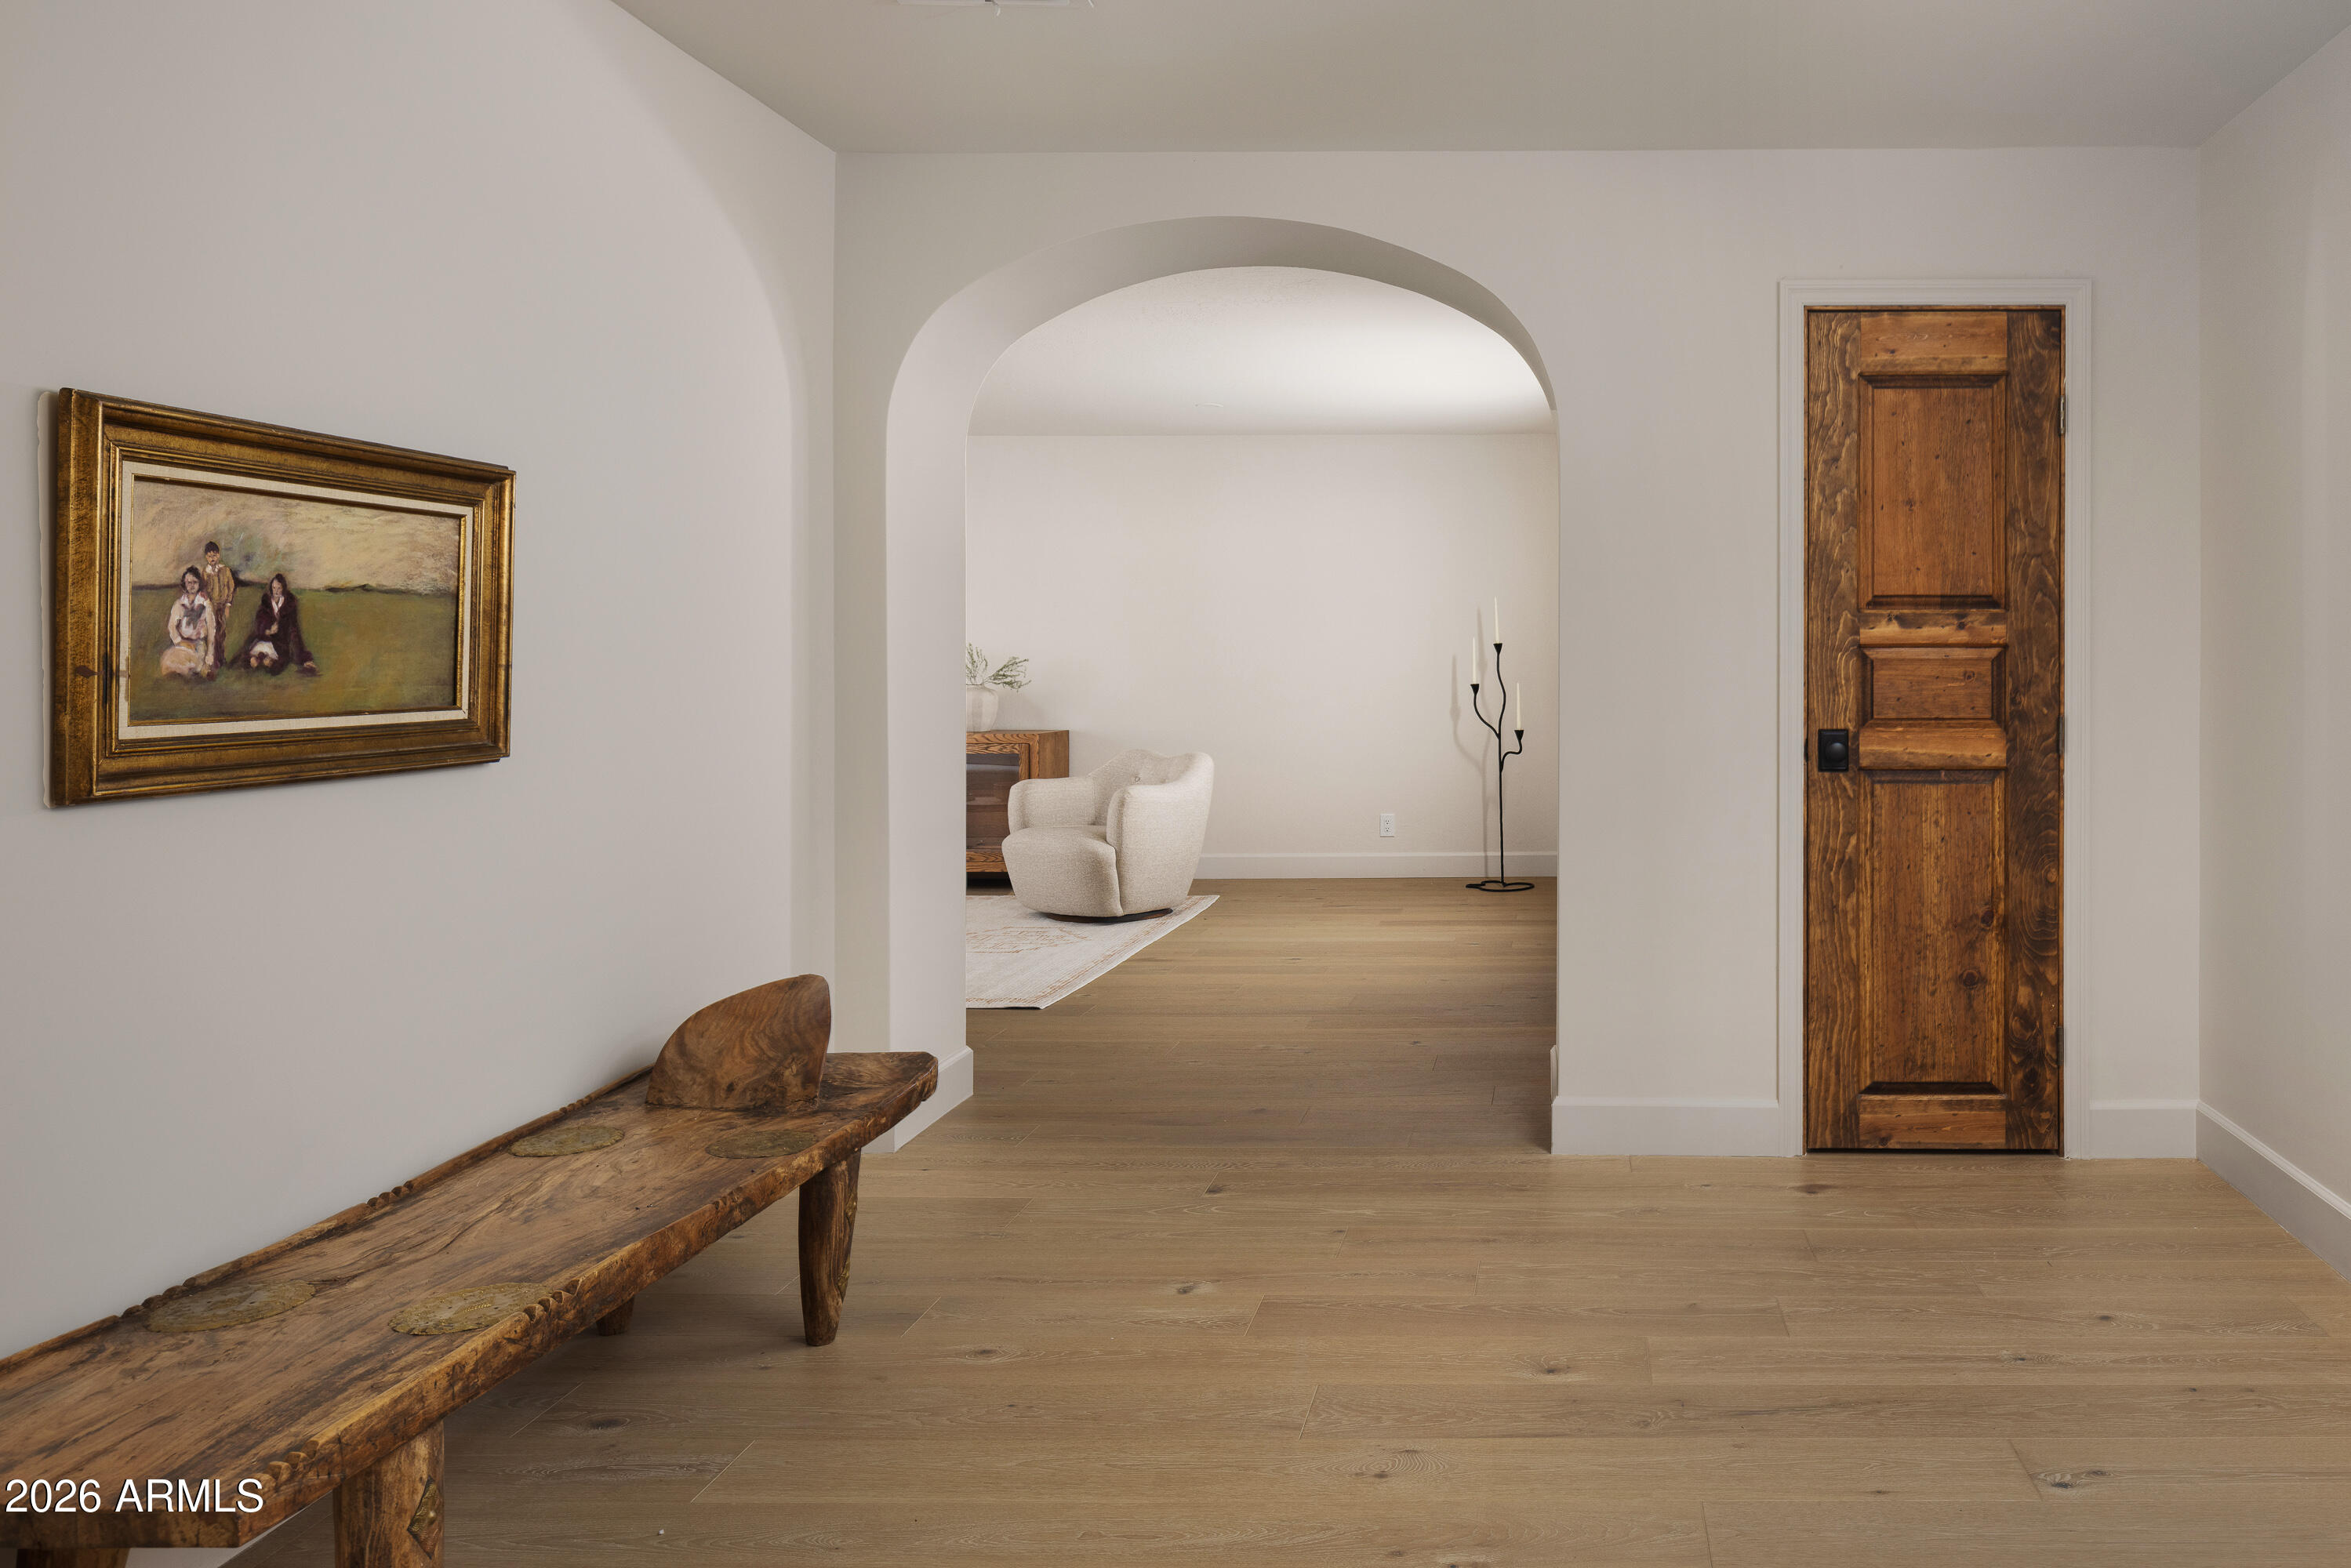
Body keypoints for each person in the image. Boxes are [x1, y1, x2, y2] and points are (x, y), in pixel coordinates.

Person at [233, 573, 319, 675]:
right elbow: (259, 624)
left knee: (276, 665)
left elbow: (294, 631)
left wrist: (305, 659)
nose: (276, 591)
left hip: (279, 643)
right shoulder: (266, 603)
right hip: (263, 638)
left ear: (283, 588)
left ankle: (265, 660)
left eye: (279, 588)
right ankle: (257, 659)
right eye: (274, 588)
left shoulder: (289, 605)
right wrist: (268, 631)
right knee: (249, 656)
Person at [158, 566, 216, 678]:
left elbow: (211, 629)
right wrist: (179, 641)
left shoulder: (205, 604)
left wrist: (210, 654)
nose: (192, 585)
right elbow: (172, 626)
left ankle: (198, 670)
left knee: (190, 665)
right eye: (189, 582)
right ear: (184, 584)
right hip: (182, 644)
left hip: (197, 645)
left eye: (195, 582)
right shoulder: (179, 604)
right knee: (168, 661)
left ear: (199, 584)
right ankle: (189, 671)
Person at [198, 542, 236, 656]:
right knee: (211, 630)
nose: (212, 558)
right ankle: (211, 655)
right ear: (206, 557)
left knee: (221, 630)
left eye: (214, 555)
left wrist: (228, 604)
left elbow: (231, 587)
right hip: (211, 606)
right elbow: (203, 590)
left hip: (223, 606)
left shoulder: (225, 570)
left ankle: (220, 655)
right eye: (209, 556)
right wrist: (207, 604)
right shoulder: (205, 573)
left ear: (218, 555)